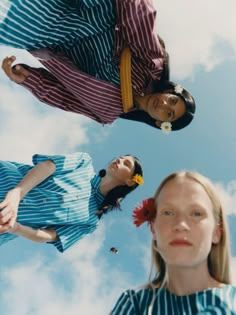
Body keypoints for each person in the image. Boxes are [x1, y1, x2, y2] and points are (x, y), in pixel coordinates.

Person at [0, 0, 195, 133]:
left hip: (58, 37)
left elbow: (64, 98)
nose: (164, 104)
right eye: (172, 100)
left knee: (12, 17)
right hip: (96, 15)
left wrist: (29, 79)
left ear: (161, 123)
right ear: (169, 91)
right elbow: (139, 25)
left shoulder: (107, 112)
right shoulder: (153, 67)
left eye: (169, 113)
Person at [111, 171, 236, 314]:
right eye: (168, 212)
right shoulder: (135, 303)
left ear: (216, 232)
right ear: (153, 228)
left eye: (196, 213)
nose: (180, 224)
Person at [0, 152, 143, 253]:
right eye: (121, 157)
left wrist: (16, 228)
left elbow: (49, 235)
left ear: (130, 181)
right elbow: (48, 166)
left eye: (126, 163)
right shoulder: (83, 163)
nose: (119, 159)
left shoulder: (91, 221)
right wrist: (17, 193)